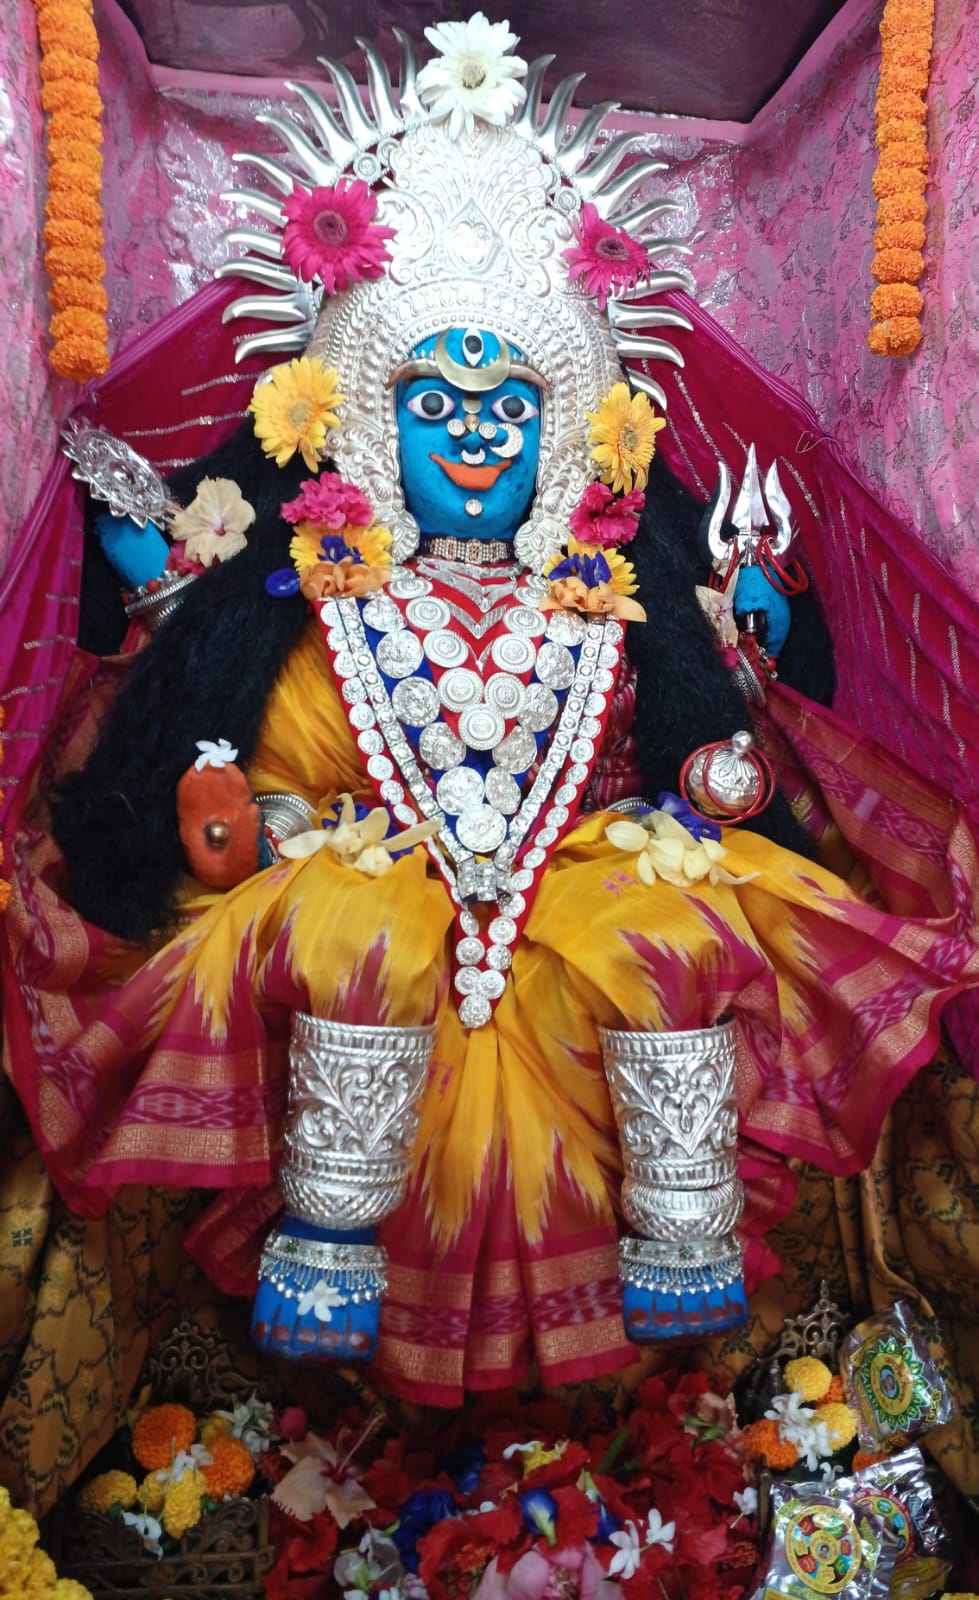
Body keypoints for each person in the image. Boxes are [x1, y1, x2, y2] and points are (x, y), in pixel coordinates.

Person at [4, 16, 979, 1410]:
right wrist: (259, 824)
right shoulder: (313, 589)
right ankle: (329, 1241)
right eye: (437, 402)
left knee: (673, 928)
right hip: (369, 894)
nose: (475, 432)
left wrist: (702, 795)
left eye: (511, 403)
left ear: (562, 429)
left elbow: (674, 763)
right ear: (369, 423)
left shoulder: (608, 592)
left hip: (568, 890)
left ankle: (683, 1233)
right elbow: (260, 774)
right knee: (351, 929)